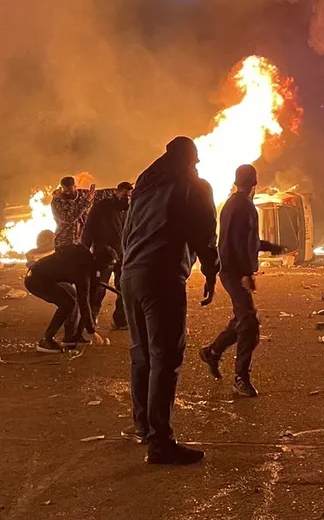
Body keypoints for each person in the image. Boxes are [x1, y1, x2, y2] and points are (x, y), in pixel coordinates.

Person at [121, 136, 219, 466]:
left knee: (142, 354)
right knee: (165, 357)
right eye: (193, 162)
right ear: (189, 161)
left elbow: (126, 236)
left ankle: (144, 426)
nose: (195, 167)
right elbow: (204, 233)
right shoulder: (193, 186)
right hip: (162, 276)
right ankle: (160, 443)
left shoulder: (144, 188)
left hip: (131, 275)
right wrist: (211, 271)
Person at [199, 165, 284, 398]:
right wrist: (245, 273)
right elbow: (235, 243)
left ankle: (212, 352)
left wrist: (270, 247)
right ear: (255, 182)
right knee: (249, 324)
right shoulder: (242, 205)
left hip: (232, 270)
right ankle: (241, 378)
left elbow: (246, 240)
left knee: (240, 319)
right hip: (234, 272)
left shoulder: (233, 204)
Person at [24, 241, 111, 353]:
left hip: (44, 277)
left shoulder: (87, 260)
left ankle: (71, 337)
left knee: (71, 297)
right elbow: (84, 302)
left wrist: (82, 332)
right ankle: (46, 340)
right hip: (36, 279)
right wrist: (91, 331)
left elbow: (88, 300)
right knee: (68, 303)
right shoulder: (82, 268)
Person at [82, 181, 133, 329]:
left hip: (124, 254)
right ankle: (91, 317)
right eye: (124, 195)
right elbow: (89, 228)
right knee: (99, 287)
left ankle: (121, 319)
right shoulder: (102, 207)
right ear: (117, 193)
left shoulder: (132, 209)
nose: (127, 199)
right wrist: (84, 250)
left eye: (130, 195)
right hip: (104, 253)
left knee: (123, 287)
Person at [51, 176, 96, 249]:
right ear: (61, 188)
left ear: (75, 187)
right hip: (64, 242)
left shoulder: (82, 194)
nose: (69, 193)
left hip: (81, 241)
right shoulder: (57, 202)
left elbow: (99, 194)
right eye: (66, 191)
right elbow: (70, 218)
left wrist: (118, 191)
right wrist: (86, 202)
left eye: (71, 191)